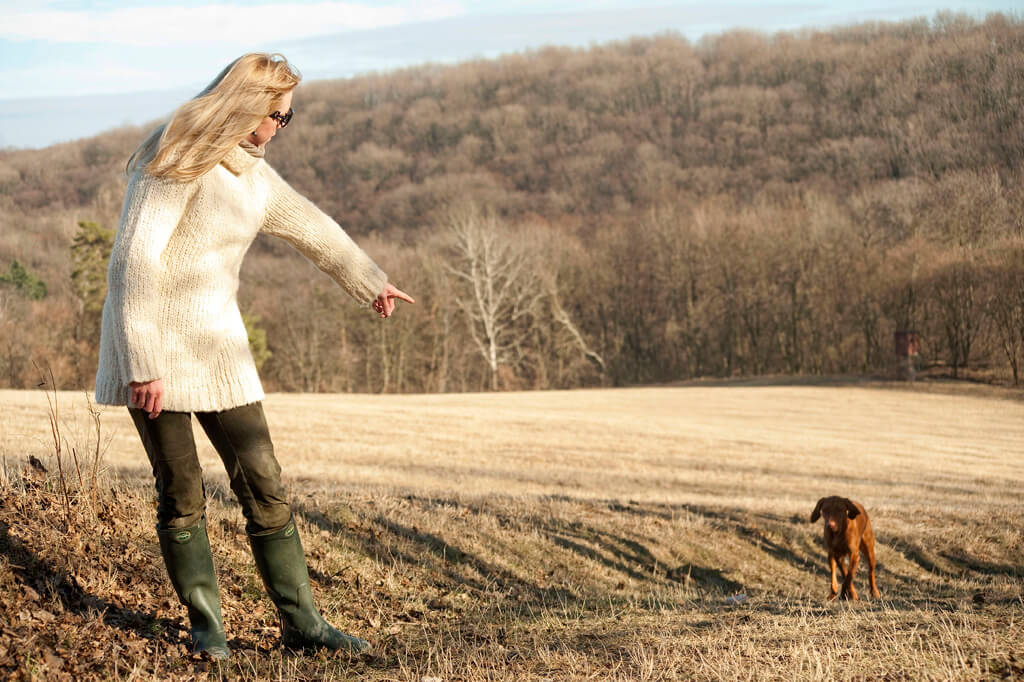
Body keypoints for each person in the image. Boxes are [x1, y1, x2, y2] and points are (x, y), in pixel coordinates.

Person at [94, 53, 413, 660]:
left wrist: (371, 281)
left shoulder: (251, 175)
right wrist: (143, 362)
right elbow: (132, 263)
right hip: (153, 351)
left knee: (264, 484)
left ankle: (304, 625)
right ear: (248, 109)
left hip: (217, 351)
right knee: (180, 491)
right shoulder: (175, 160)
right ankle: (207, 627)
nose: (280, 130)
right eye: (279, 118)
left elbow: (312, 228)